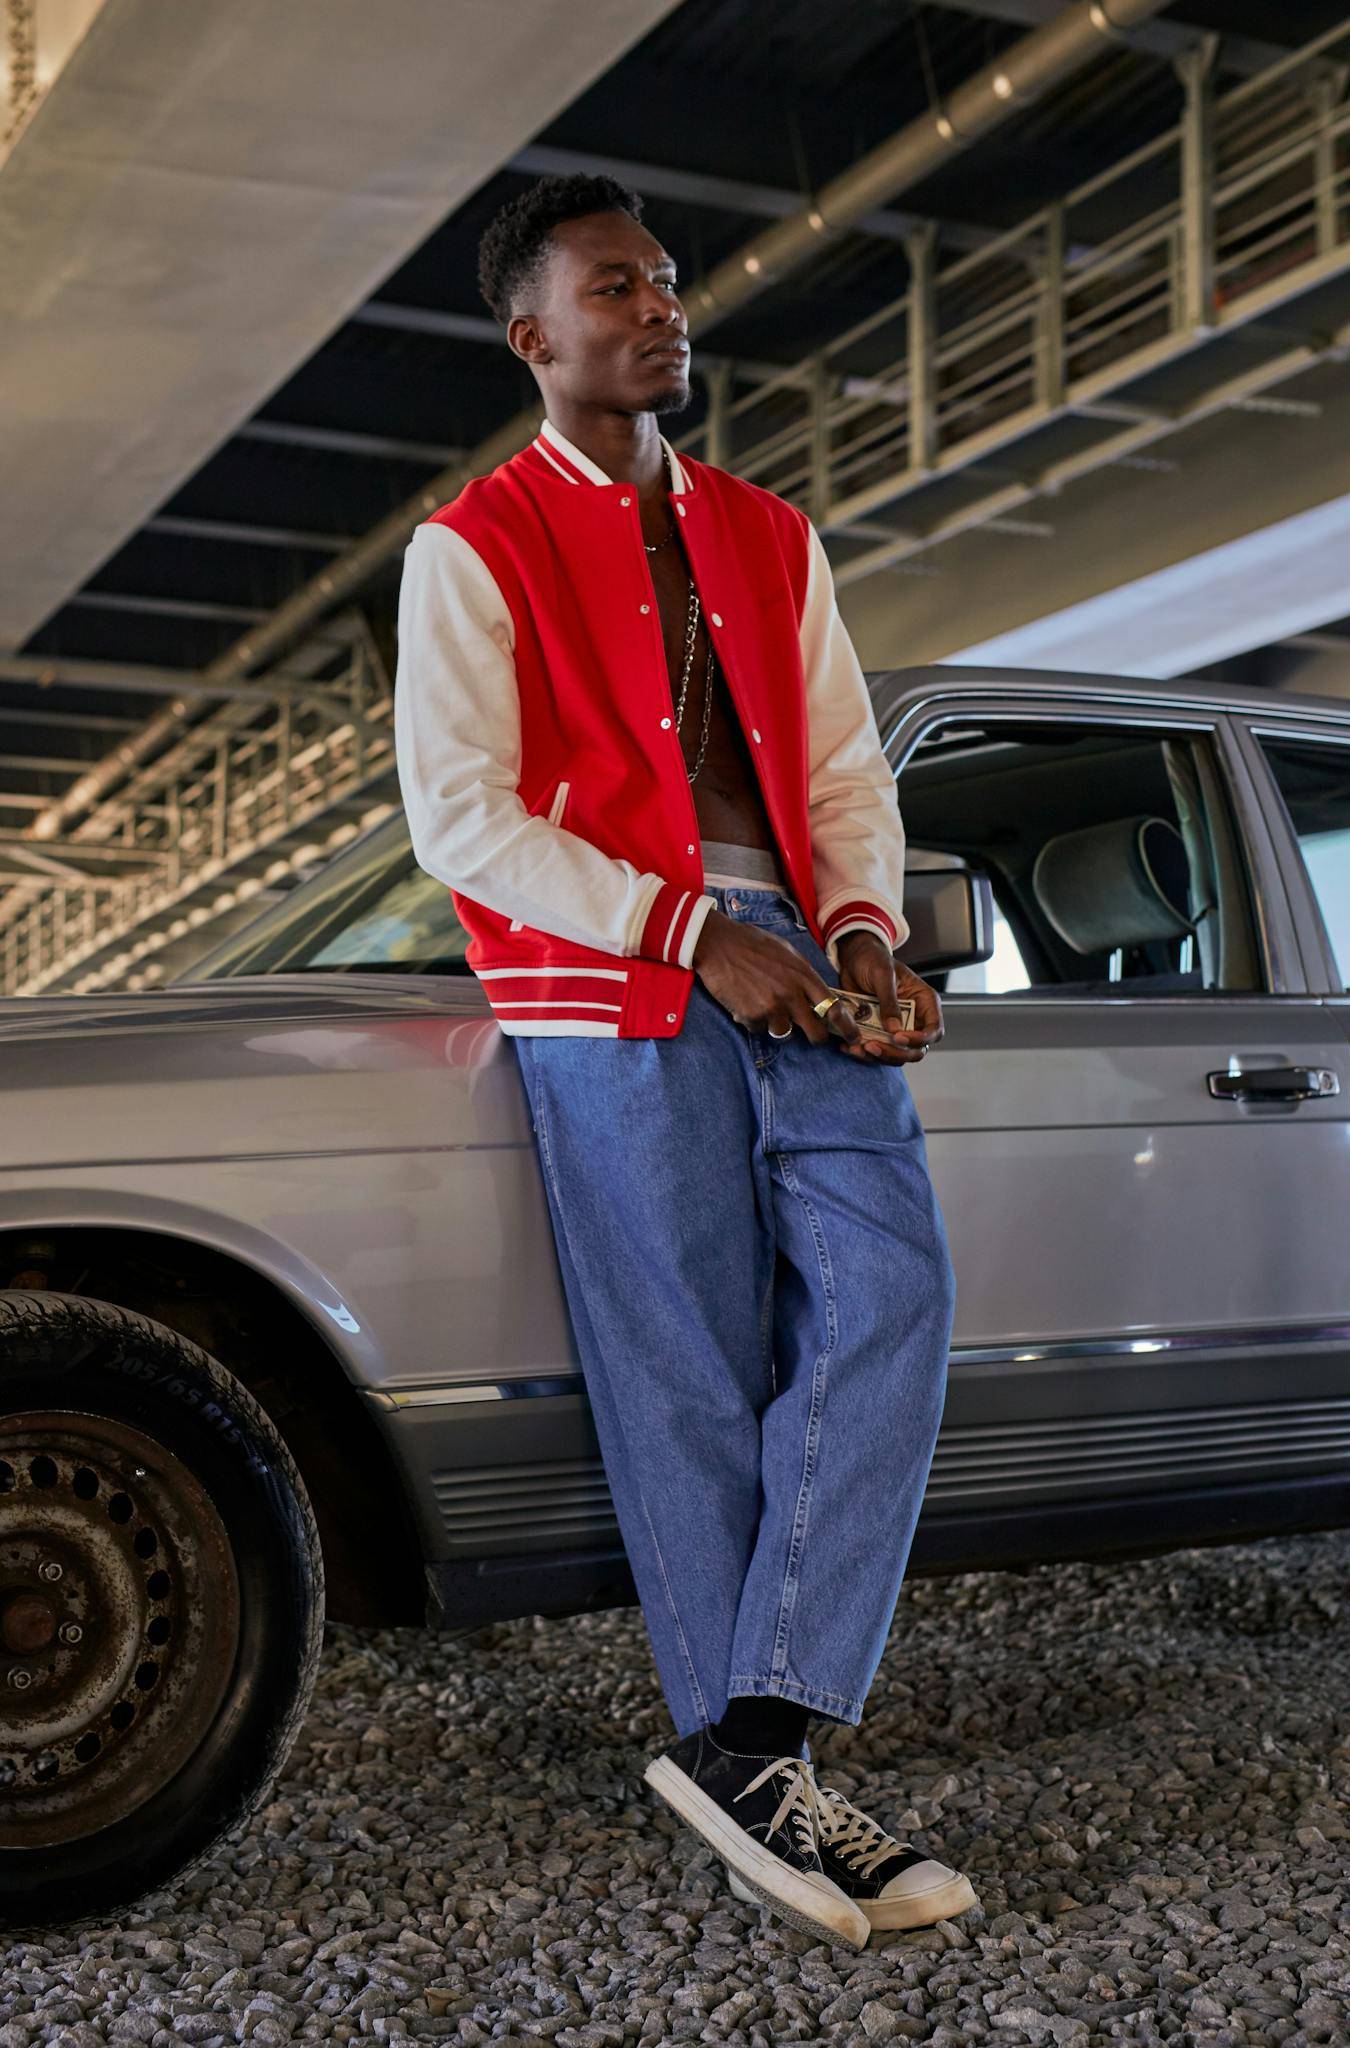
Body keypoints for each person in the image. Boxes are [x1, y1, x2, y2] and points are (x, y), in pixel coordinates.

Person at [393, 171, 974, 1950]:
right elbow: (460, 817)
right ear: (532, 336)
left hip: (797, 965)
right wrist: (680, 930)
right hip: (614, 993)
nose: (664, 311)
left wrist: (860, 924)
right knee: (692, 1377)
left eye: (667, 284)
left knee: (893, 1296)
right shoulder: (467, 546)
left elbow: (841, 768)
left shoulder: (766, 530)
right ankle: (778, 1776)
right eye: (617, 290)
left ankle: (748, 1737)